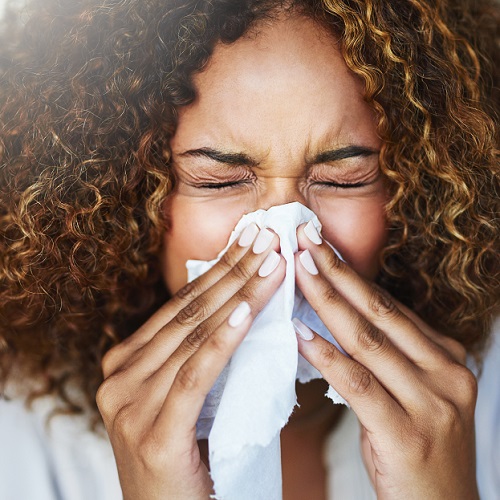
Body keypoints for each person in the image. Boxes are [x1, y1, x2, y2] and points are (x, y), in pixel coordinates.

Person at [0, 0, 498, 499]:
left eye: (342, 178)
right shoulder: (24, 440)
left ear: (412, 193)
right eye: (219, 181)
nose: (283, 238)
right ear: (123, 199)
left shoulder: (483, 395)